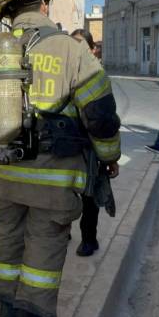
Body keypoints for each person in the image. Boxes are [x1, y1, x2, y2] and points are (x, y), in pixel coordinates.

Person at [0, 0, 121, 317]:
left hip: (4, 173)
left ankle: (8, 310)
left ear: (7, 12)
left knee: (9, 240)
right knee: (44, 251)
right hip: (51, 178)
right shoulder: (72, 51)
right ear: (45, 5)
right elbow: (100, 115)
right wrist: (109, 156)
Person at [69, 28, 107, 257]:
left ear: (93, 50)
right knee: (64, 192)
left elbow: (107, 122)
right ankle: (63, 231)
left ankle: (89, 239)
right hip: (67, 144)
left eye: (82, 45)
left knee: (89, 195)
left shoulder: (97, 76)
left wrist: (110, 157)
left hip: (91, 147)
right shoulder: (64, 72)